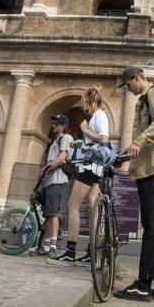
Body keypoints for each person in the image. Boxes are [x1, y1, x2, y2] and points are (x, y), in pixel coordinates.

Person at [114, 65, 154, 302]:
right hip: (150, 167)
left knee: (151, 226)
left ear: (136, 78)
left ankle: (144, 284)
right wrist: (122, 157)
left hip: (152, 168)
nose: (127, 90)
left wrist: (139, 141)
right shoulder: (145, 98)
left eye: (127, 84)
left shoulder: (153, 93)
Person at [50, 85, 110, 265]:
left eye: (85, 102)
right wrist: (80, 143)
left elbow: (104, 138)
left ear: (91, 100)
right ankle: (92, 250)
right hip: (95, 166)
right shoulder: (96, 116)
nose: (85, 106)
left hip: (90, 166)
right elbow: (94, 140)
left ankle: (70, 250)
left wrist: (84, 131)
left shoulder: (99, 115)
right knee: (90, 205)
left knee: (72, 204)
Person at [30, 114, 74, 256]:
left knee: (53, 213)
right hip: (49, 180)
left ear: (63, 126)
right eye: (53, 123)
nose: (53, 125)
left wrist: (45, 169)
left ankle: (53, 246)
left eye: (57, 123)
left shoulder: (66, 138)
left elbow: (61, 158)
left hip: (57, 179)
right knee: (48, 214)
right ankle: (46, 245)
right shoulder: (54, 141)